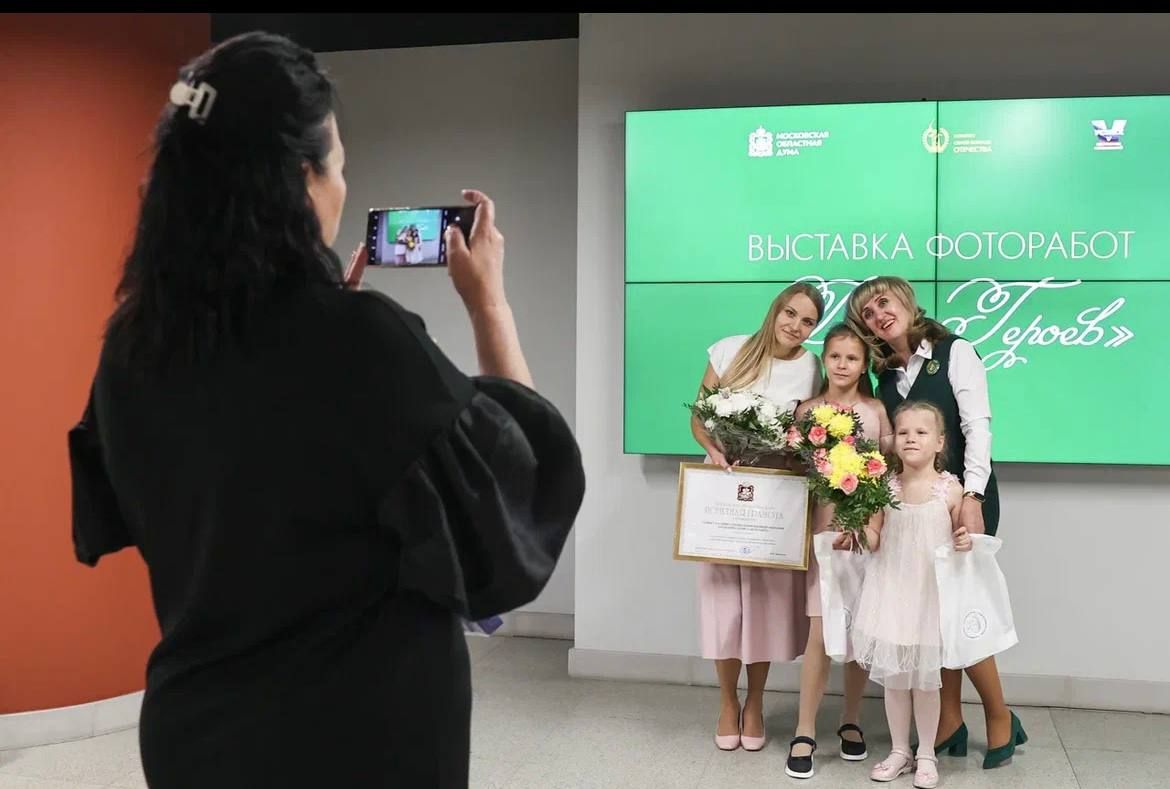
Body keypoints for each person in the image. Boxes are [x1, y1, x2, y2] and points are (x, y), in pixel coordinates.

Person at [66, 32, 584, 789]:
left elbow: (227, 479)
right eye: (338, 165)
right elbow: (517, 508)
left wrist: (332, 329)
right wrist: (489, 305)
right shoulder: (363, 344)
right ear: (300, 180)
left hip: (194, 737)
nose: (343, 184)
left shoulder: (130, 348)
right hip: (355, 743)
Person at [846, 276, 1026, 770]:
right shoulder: (885, 375)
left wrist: (972, 496)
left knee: (960, 609)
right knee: (928, 610)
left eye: (884, 302)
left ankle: (1000, 715)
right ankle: (948, 720)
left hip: (961, 497)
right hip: (911, 507)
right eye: (867, 313)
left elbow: (977, 428)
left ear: (906, 301)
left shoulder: (955, 352)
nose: (879, 315)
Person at [689, 282, 824, 752]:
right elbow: (698, 419)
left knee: (764, 607)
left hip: (774, 495)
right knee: (724, 604)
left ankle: (756, 703)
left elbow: (812, 432)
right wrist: (715, 451)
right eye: (790, 313)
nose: (796, 326)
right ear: (775, 310)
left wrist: (789, 452)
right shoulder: (730, 349)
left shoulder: (812, 367)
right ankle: (728, 702)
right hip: (722, 489)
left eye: (808, 321)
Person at [784, 323, 891, 780]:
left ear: (864, 365)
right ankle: (805, 729)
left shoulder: (876, 411)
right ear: (824, 360)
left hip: (864, 537)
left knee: (860, 631)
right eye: (835, 357)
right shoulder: (807, 411)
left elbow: (885, 475)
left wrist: (871, 525)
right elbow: (794, 474)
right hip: (822, 535)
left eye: (852, 358)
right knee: (820, 630)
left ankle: (851, 718)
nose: (843, 365)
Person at [847, 401, 972, 788]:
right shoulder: (885, 487)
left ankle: (926, 753)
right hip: (891, 591)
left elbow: (963, 536)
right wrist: (857, 532)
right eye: (903, 432)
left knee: (926, 681)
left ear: (940, 441)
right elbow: (874, 535)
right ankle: (900, 750)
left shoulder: (951, 490)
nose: (911, 439)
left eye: (921, 432)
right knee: (896, 679)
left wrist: (965, 540)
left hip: (929, 596)